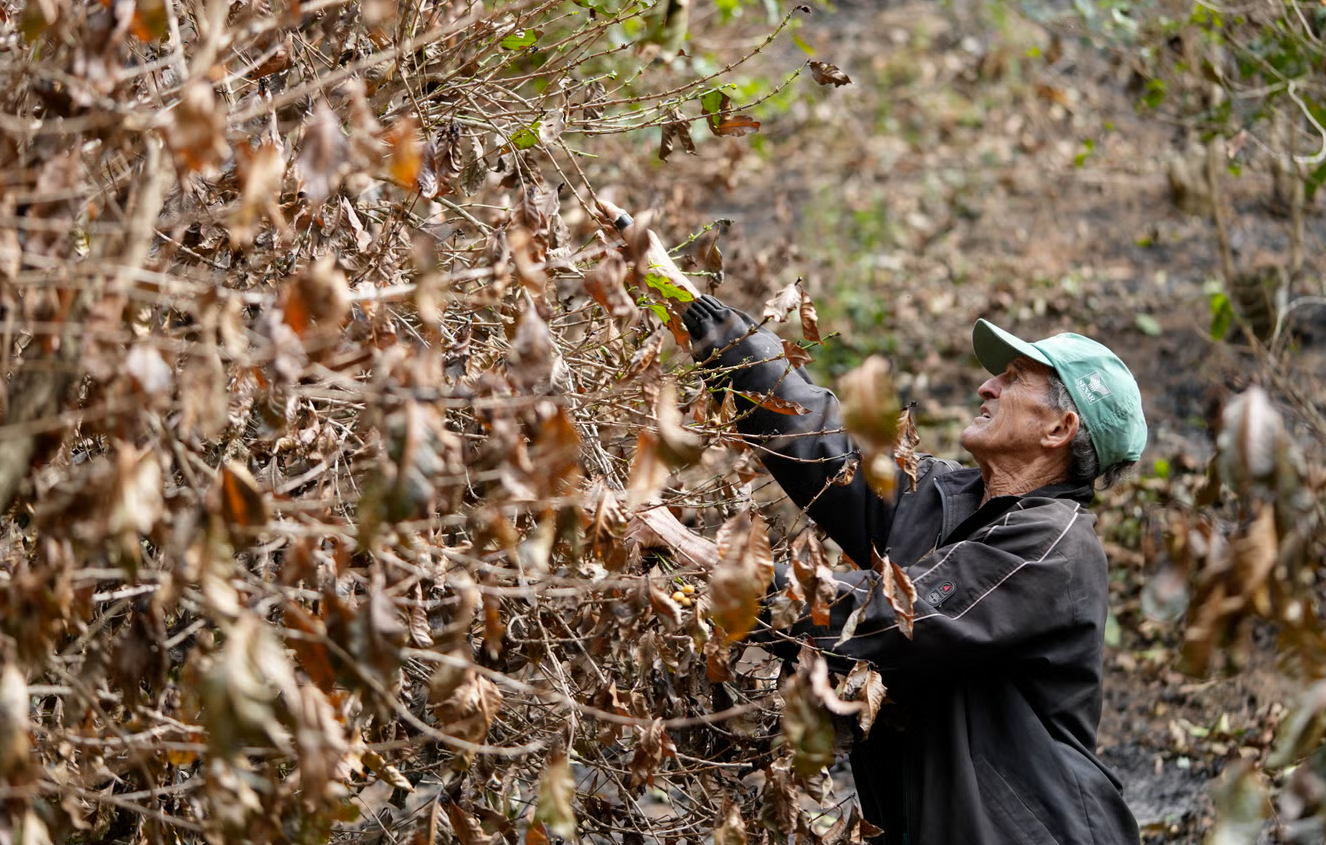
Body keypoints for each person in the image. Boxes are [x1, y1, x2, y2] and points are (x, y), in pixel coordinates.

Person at [679, 294, 1145, 845]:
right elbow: (820, 444)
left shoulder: (1055, 548)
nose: (986, 386)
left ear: (1059, 429)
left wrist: (719, 567)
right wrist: (702, 318)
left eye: (1015, 378)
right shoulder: (950, 498)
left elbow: (890, 616)